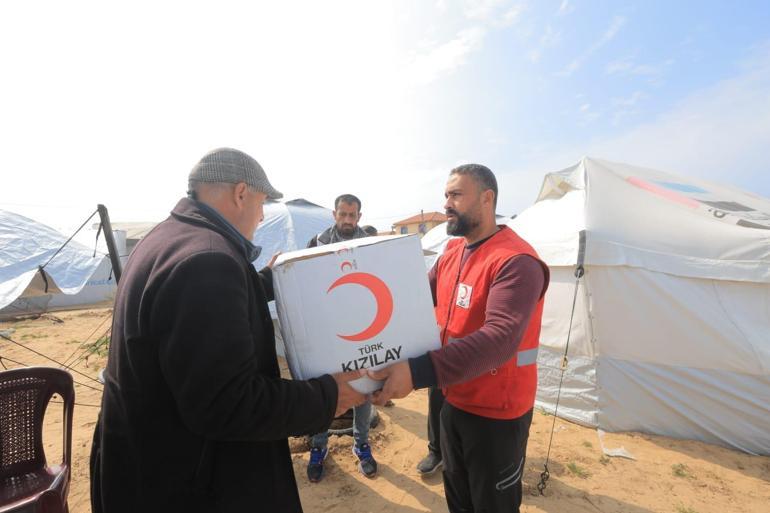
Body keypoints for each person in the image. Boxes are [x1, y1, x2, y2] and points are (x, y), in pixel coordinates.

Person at [90, 148, 366, 513]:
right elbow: (228, 404)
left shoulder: (170, 238)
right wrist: (328, 396)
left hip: (147, 466)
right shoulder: (207, 261)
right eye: (262, 202)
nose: (262, 213)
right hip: (184, 485)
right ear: (241, 194)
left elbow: (215, 312)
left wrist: (276, 279)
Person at [369, 164, 549, 513]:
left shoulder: (516, 261)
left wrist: (415, 372)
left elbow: (499, 340)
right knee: (460, 498)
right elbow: (415, 300)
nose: (447, 204)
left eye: (456, 195)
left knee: (492, 504)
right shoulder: (452, 254)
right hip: (453, 400)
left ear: (487, 198)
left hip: (497, 414)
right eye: (446, 195)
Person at [305, 194, 378, 482]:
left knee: (364, 386)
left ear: (359, 216)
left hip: (364, 327)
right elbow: (306, 281)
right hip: (328, 329)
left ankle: (361, 445)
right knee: (326, 388)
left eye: (353, 215)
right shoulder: (317, 243)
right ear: (334, 214)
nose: (348, 220)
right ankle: (318, 446)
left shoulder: (369, 245)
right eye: (343, 214)